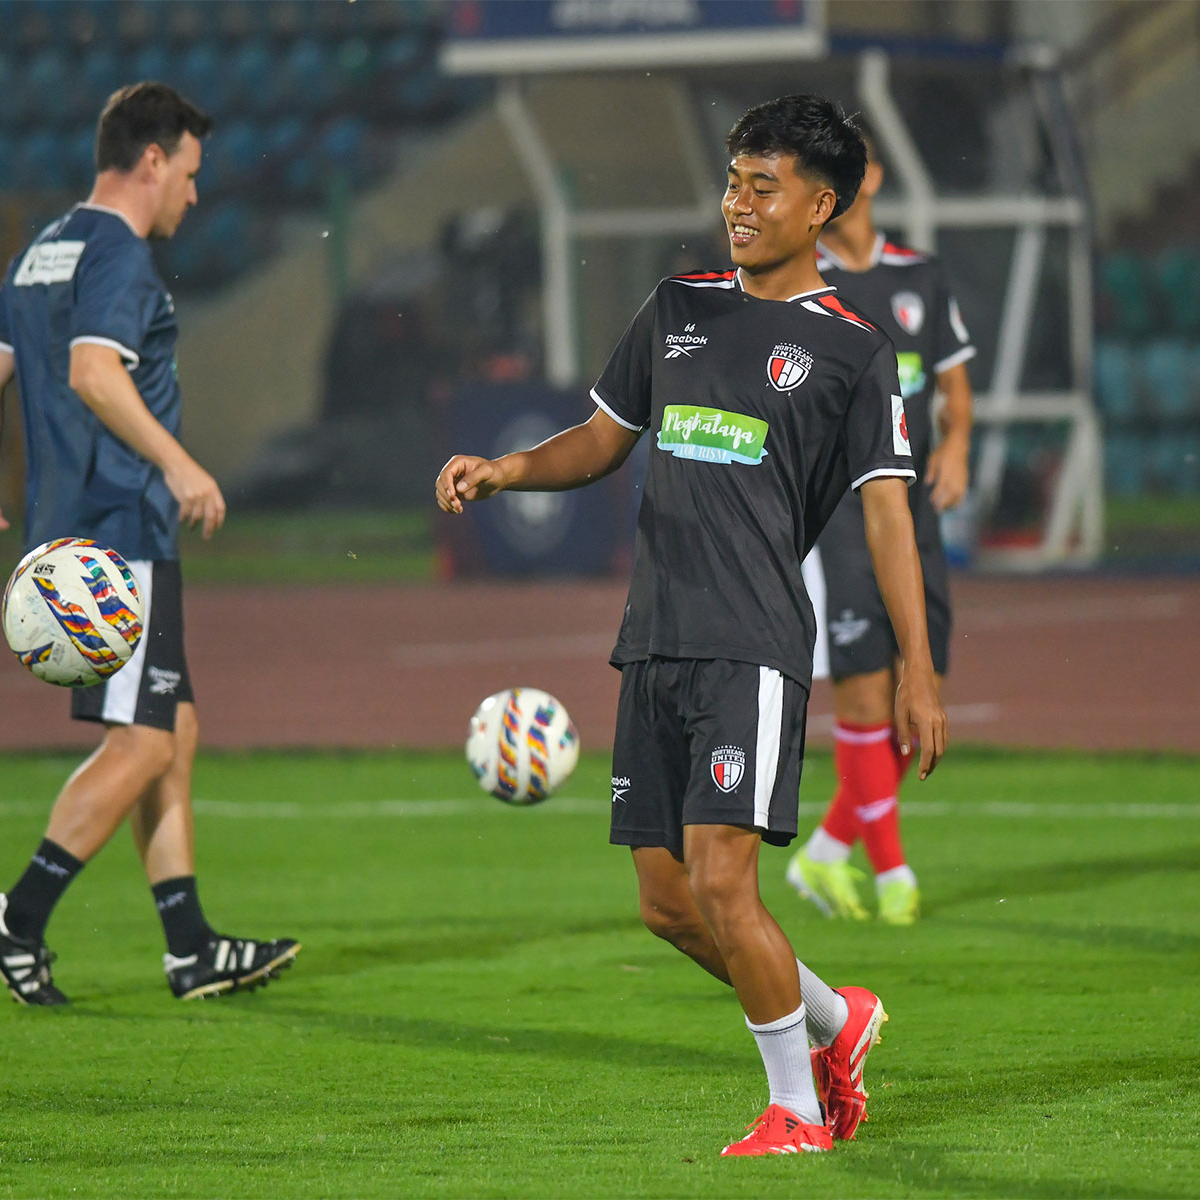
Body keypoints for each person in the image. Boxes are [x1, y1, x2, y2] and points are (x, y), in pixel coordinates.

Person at [436, 95, 947, 1157]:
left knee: (723, 881)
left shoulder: (852, 355)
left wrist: (918, 671)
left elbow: (889, 514)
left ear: (820, 207)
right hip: (653, 637)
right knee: (667, 906)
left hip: (752, 642)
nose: (738, 204)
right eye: (732, 183)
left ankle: (796, 1114)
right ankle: (834, 1019)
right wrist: (507, 470)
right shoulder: (675, 307)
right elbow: (599, 439)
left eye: (764, 188)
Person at [0, 82, 299, 1006]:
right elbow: (92, 373)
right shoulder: (119, 257)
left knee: (171, 729)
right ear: (152, 161)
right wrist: (183, 466)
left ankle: (190, 947)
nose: (193, 192)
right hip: (119, 540)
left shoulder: (42, 247)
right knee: (145, 741)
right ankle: (17, 918)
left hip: (67, 534)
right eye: (188, 172)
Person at [790, 125, 976, 927]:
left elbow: (953, 390)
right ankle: (893, 872)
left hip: (913, 512)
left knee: (920, 690)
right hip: (840, 513)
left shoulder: (920, 278)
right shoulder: (802, 282)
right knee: (866, 694)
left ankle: (827, 853)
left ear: (872, 177)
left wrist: (960, 444)